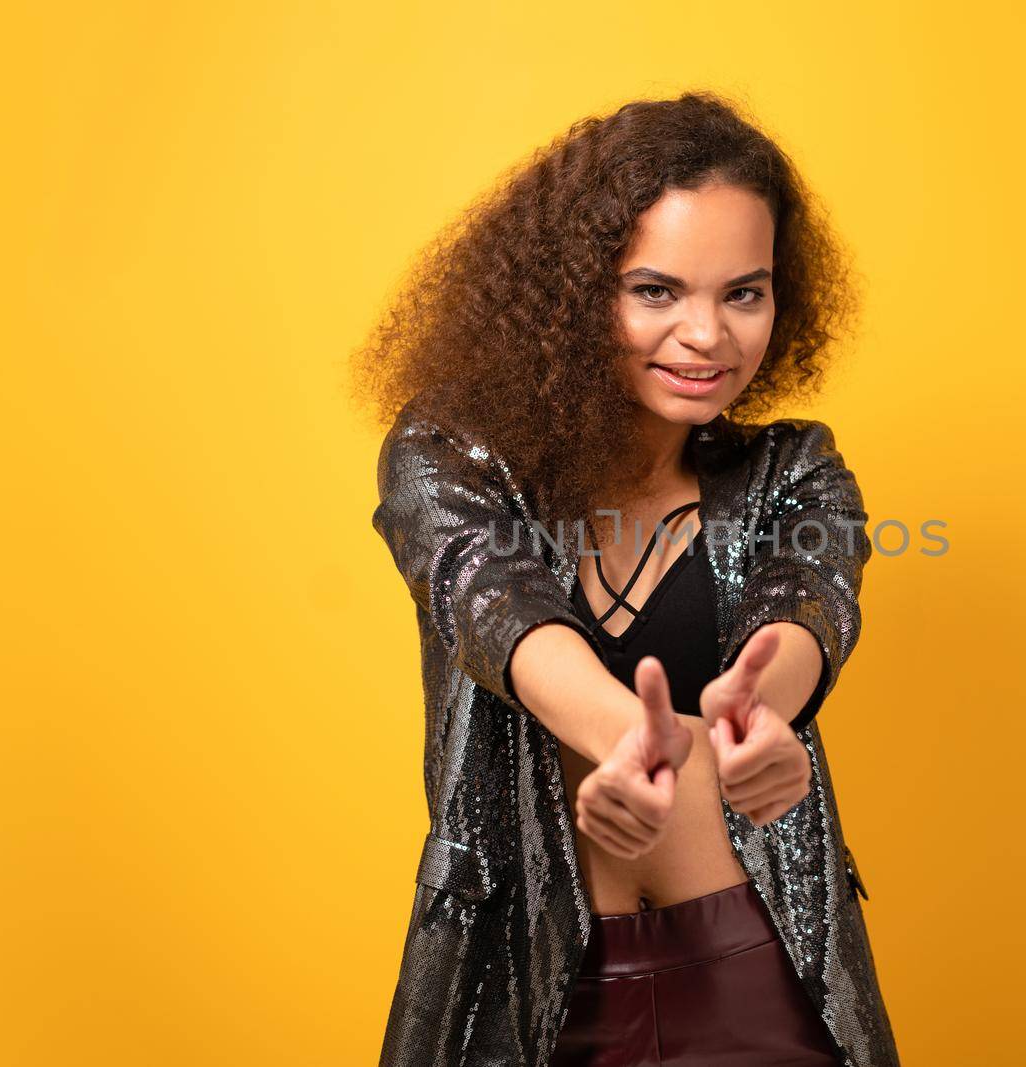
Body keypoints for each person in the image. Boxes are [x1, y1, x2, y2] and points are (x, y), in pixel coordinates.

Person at [355, 90, 900, 1067]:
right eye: (656, 290)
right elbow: (491, 601)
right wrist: (628, 737)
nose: (707, 334)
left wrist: (759, 715)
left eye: (743, 292)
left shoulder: (795, 468)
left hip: (749, 965)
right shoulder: (448, 454)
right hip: (521, 979)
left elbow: (812, 599)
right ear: (571, 291)